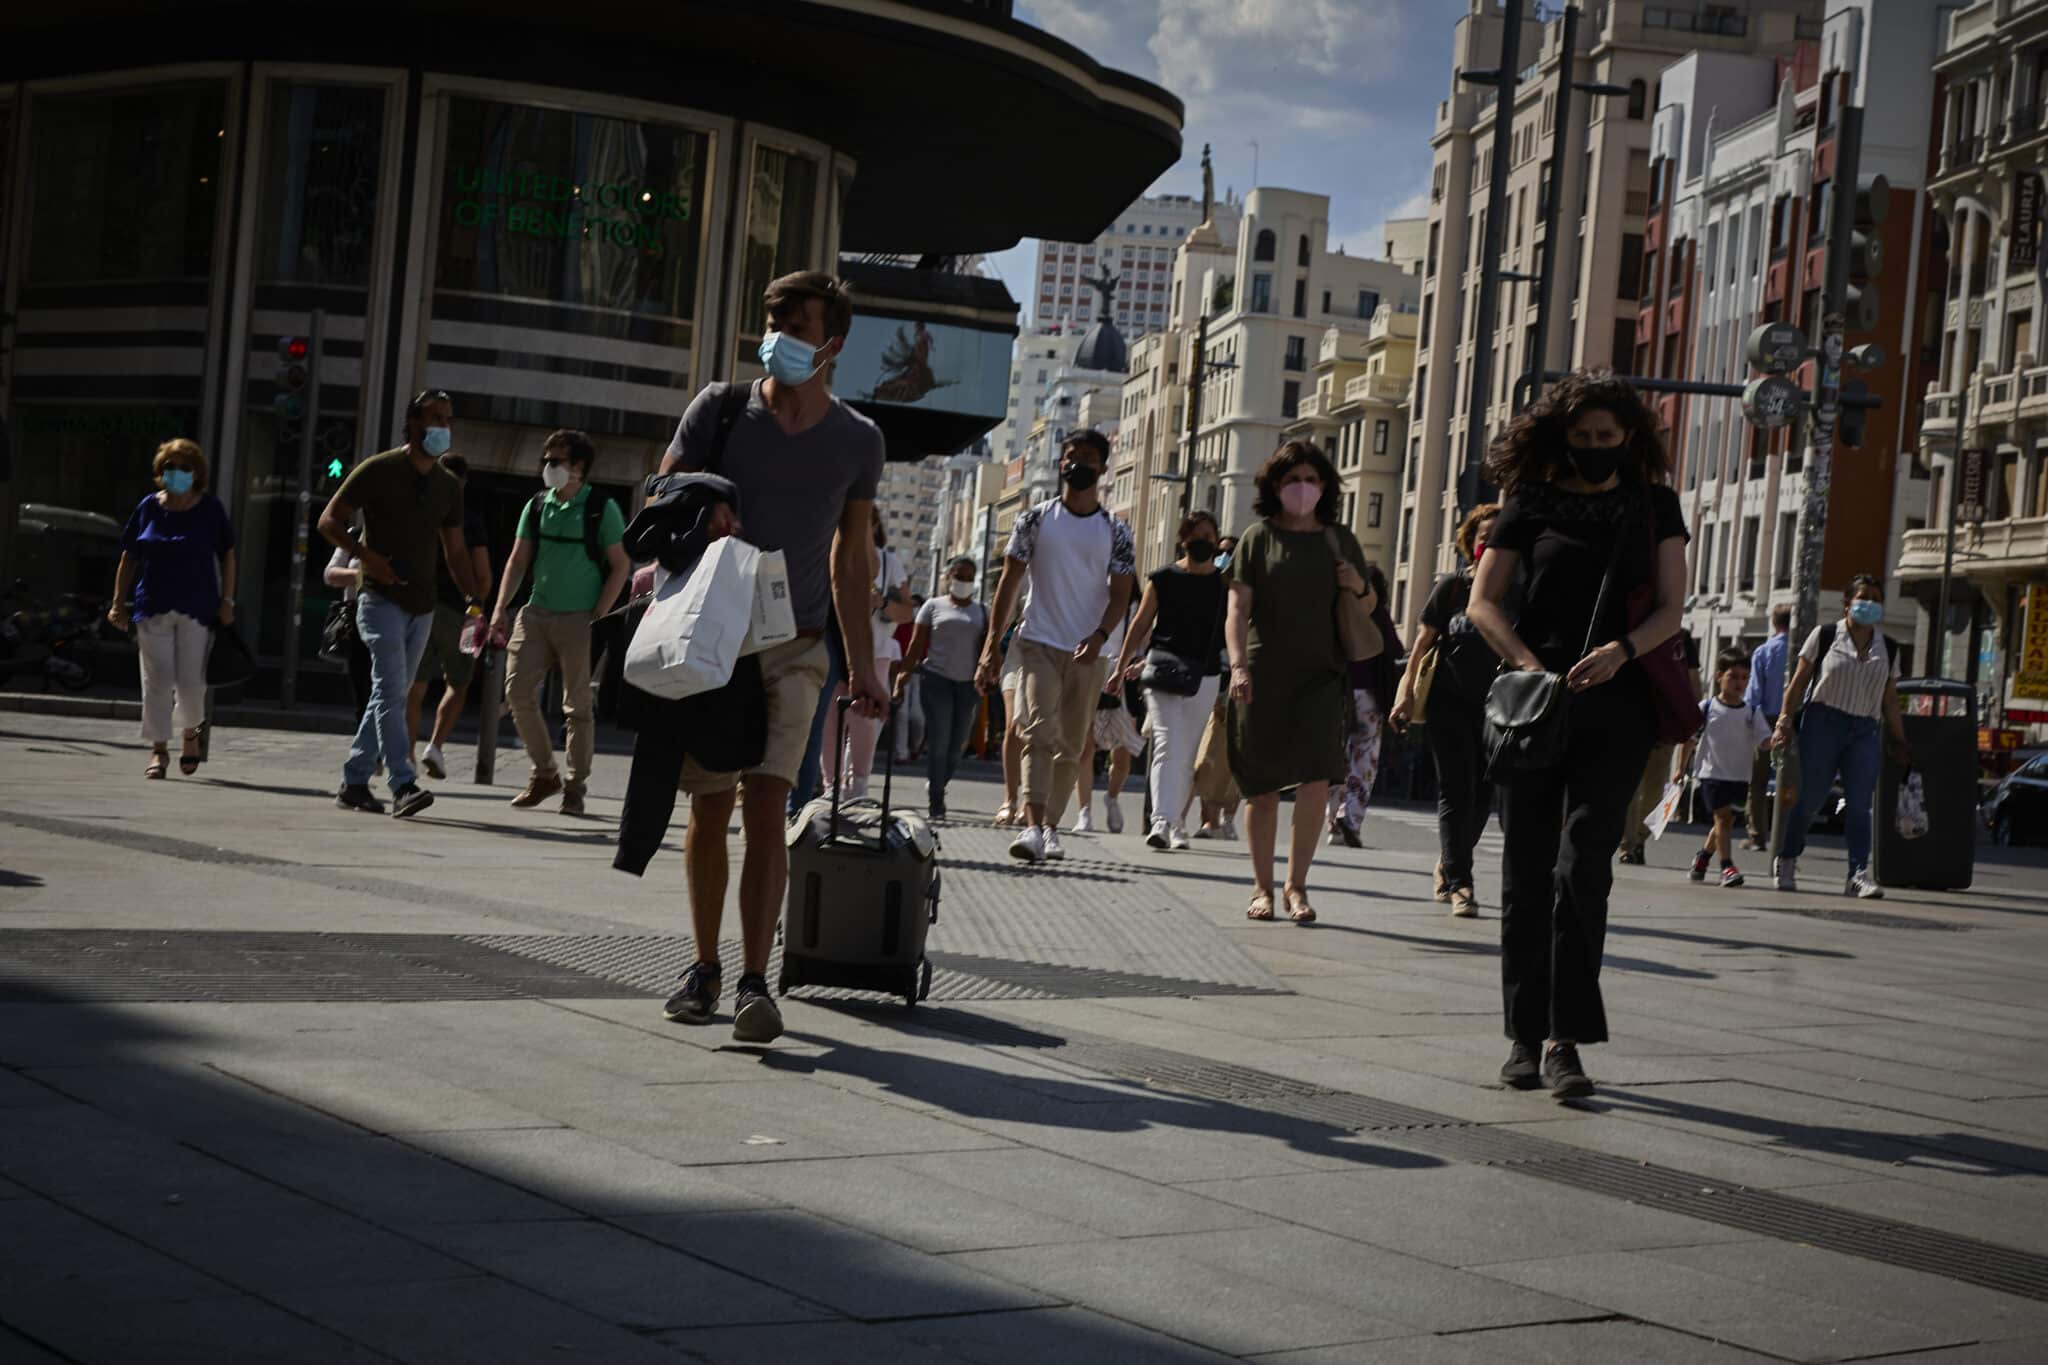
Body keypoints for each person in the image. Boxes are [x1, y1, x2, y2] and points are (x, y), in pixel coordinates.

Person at [655, 271, 887, 1044]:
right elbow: (661, 486)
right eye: (775, 319)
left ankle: (755, 979)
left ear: (833, 343)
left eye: (799, 323)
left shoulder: (858, 439)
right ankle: (704, 967)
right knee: (708, 803)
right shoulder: (719, 408)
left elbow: (852, 562)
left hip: (798, 646)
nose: (782, 334)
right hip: (711, 636)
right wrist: (700, 499)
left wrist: (866, 666)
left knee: (766, 803)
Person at [1465, 369, 1687, 1100]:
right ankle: (1523, 1039)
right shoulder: (1528, 501)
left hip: (1617, 704)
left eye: (1607, 436)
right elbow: (1482, 603)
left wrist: (1622, 651)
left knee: (1582, 867)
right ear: (1564, 437)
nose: (1596, 447)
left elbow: (1672, 608)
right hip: (1535, 705)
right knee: (1526, 870)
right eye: (1583, 437)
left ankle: (1566, 1042)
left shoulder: (1655, 505)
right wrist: (1530, 665)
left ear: (1630, 437)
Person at [1224, 439, 1372, 925]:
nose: (1302, 489)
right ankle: (1262, 888)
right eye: (1292, 481)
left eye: (1311, 480)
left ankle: (1297, 886)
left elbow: (1366, 610)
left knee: (1314, 781)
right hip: (1263, 675)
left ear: (1325, 485)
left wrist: (1358, 585)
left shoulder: (1339, 539)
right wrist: (1239, 664)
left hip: (1322, 676)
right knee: (1262, 787)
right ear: (1275, 487)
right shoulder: (1257, 538)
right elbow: (1238, 609)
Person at [975, 430, 1136, 864]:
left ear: (1103, 468)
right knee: (1036, 732)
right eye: (1070, 457)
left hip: (1089, 652)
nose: (1077, 464)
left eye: (1087, 458)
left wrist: (1100, 636)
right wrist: (992, 645)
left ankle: (1050, 828)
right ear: (1059, 463)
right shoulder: (1035, 520)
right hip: (1037, 642)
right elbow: (1008, 584)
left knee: (1071, 744)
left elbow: (1121, 595)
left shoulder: (1116, 532)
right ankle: (1030, 825)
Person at [490, 429, 629, 817]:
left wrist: (599, 612)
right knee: (517, 692)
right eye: (546, 460)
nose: (547, 467)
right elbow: (517, 561)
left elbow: (620, 564)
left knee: (577, 707)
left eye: (556, 461)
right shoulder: (537, 506)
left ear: (579, 467)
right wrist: (502, 607)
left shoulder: (601, 507)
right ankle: (545, 773)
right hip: (535, 614)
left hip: (579, 620)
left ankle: (575, 785)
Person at [1769, 575, 1910, 898]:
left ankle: (1857, 874)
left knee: (1860, 805)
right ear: (1847, 603)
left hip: (1865, 730)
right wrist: (1784, 722)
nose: (1869, 603)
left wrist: (1899, 739)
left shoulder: (1888, 647)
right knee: (1812, 799)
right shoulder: (1825, 635)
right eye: (1863, 597)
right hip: (1823, 723)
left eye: (1876, 598)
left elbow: (1890, 698)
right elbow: (1799, 683)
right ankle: (1788, 858)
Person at [1390, 503, 1498, 918]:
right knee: (1456, 789)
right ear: (1469, 541)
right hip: (1448, 703)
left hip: (1498, 706)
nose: (1488, 542)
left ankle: (1449, 862)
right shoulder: (1452, 588)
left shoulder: (1517, 587)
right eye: (1482, 536)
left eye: (1496, 537)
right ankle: (1461, 883)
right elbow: (1421, 645)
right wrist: (1405, 693)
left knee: (1484, 795)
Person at [106, 438, 236, 779]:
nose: (175, 473)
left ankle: (191, 733)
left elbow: (228, 554)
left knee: (192, 682)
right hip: (153, 604)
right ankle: (159, 749)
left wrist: (228, 600)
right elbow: (129, 556)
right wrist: (118, 602)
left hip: (198, 606)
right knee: (157, 680)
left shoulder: (210, 510)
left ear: (197, 473)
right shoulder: (148, 507)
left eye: (183, 468)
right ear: (160, 472)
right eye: (169, 467)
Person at [1112, 510, 1226, 850]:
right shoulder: (1162, 578)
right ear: (1183, 540)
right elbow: (1141, 623)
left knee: (1187, 750)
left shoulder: (1224, 583)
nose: (1202, 542)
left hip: (1205, 675)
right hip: (1163, 670)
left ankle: (1177, 822)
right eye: (1195, 536)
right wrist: (1121, 666)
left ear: (1217, 541)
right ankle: (1160, 822)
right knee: (1165, 742)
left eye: (1208, 536)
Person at [410, 454, 491, 782]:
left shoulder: (421, 515)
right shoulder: (470, 522)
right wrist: (478, 608)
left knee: (415, 687)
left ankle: (407, 757)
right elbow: (483, 575)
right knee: (459, 683)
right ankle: (436, 746)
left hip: (421, 609)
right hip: (463, 612)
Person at [821, 510, 910, 799]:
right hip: (835, 651)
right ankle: (830, 790)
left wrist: (882, 602)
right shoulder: (828, 553)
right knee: (830, 723)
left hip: (877, 653)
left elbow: (907, 612)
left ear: (874, 525)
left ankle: (858, 787)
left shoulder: (888, 562)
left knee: (865, 726)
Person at [898, 557, 986, 820]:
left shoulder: (983, 611)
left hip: (968, 685)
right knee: (939, 741)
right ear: (948, 576)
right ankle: (936, 800)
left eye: (969, 577)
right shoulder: (931, 606)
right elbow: (916, 645)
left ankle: (938, 781)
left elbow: (988, 650)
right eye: (959, 576)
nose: (963, 582)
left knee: (958, 744)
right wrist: (903, 674)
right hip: (936, 680)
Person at [1681, 647, 1773, 888]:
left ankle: (1702, 859)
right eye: (1733, 677)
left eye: (1744, 678)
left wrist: (1775, 741)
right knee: (1722, 818)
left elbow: (1764, 740)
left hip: (1740, 777)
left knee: (1724, 823)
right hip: (1712, 774)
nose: (1739, 683)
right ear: (1719, 676)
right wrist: (1681, 769)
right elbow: (1690, 739)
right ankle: (1727, 868)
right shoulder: (1707, 708)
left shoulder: (1752, 712)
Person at [1328, 565, 1403, 850]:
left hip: (1338, 695)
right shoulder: (1380, 616)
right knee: (1364, 761)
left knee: (1335, 759)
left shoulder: (1338, 614)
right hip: (1371, 697)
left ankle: (1334, 822)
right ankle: (1351, 819)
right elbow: (1395, 652)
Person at [1072, 605, 1136, 835]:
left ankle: (1111, 797)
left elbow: (1144, 640)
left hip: (1123, 677)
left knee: (1122, 756)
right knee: (1085, 747)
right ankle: (1084, 812)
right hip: (1090, 669)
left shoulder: (1134, 606)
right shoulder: (1090, 597)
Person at [1745, 603, 1793, 852]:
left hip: (1766, 719)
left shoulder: (1763, 652)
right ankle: (1787, 834)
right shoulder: (1801, 651)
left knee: (1758, 780)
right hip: (1794, 719)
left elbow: (1754, 694)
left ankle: (1757, 835)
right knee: (1791, 778)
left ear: (1775, 623)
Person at [324, 546, 372, 726]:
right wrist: (362, 577)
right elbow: (330, 575)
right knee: (362, 690)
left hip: (390, 623)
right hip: (356, 624)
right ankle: (367, 747)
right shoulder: (352, 537)